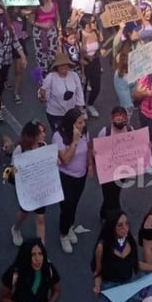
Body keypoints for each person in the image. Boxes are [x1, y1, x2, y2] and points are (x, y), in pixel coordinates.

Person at [53, 107, 93, 253]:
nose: (83, 125)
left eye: (83, 122)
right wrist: (75, 142)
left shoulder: (84, 132)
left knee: (75, 203)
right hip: (65, 177)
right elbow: (66, 160)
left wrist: (90, 164)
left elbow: (88, 148)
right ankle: (63, 234)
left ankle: (70, 226)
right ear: (71, 123)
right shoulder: (59, 137)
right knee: (67, 206)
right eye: (79, 123)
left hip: (80, 176)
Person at [10, 120, 49, 246]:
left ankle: (41, 249)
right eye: (41, 132)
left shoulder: (44, 145)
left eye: (44, 131)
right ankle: (16, 229)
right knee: (24, 212)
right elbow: (13, 169)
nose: (44, 134)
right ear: (33, 135)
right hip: (27, 188)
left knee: (40, 218)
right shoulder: (20, 149)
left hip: (40, 187)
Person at [39, 51, 85, 133]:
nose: (64, 67)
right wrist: (43, 96)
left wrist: (80, 110)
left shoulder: (74, 75)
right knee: (59, 135)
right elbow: (45, 98)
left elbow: (79, 92)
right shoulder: (50, 78)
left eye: (65, 64)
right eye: (61, 65)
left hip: (71, 113)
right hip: (56, 114)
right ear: (57, 67)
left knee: (71, 133)